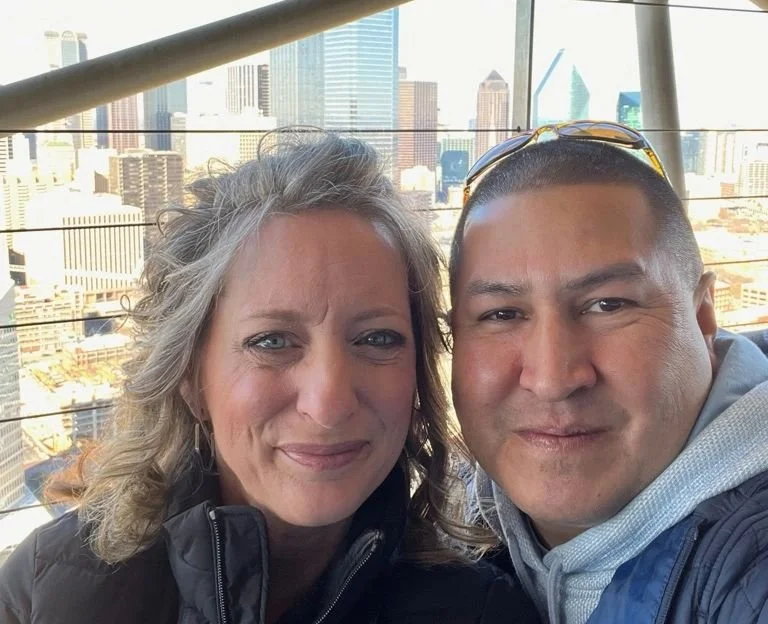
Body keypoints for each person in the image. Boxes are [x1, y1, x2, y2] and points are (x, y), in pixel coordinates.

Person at [0, 133, 539, 624]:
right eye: (272, 342)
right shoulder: (46, 590)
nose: (327, 403)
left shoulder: (482, 614)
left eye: (377, 339)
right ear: (191, 378)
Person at [448, 122, 768, 624]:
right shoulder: (456, 512)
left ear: (704, 319)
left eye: (607, 304)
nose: (553, 378)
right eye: (502, 314)